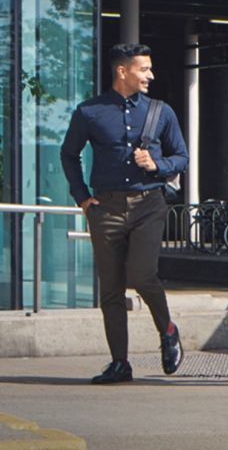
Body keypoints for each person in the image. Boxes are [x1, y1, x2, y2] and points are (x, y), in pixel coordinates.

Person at [61, 43, 189, 384]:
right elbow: (69, 154)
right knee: (111, 288)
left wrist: (157, 164)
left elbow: (182, 157)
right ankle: (120, 363)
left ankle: (168, 330)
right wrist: (82, 197)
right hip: (105, 208)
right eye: (144, 69)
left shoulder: (161, 112)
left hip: (149, 204)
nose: (151, 75)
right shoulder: (89, 112)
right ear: (122, 71)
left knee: (142, 275)